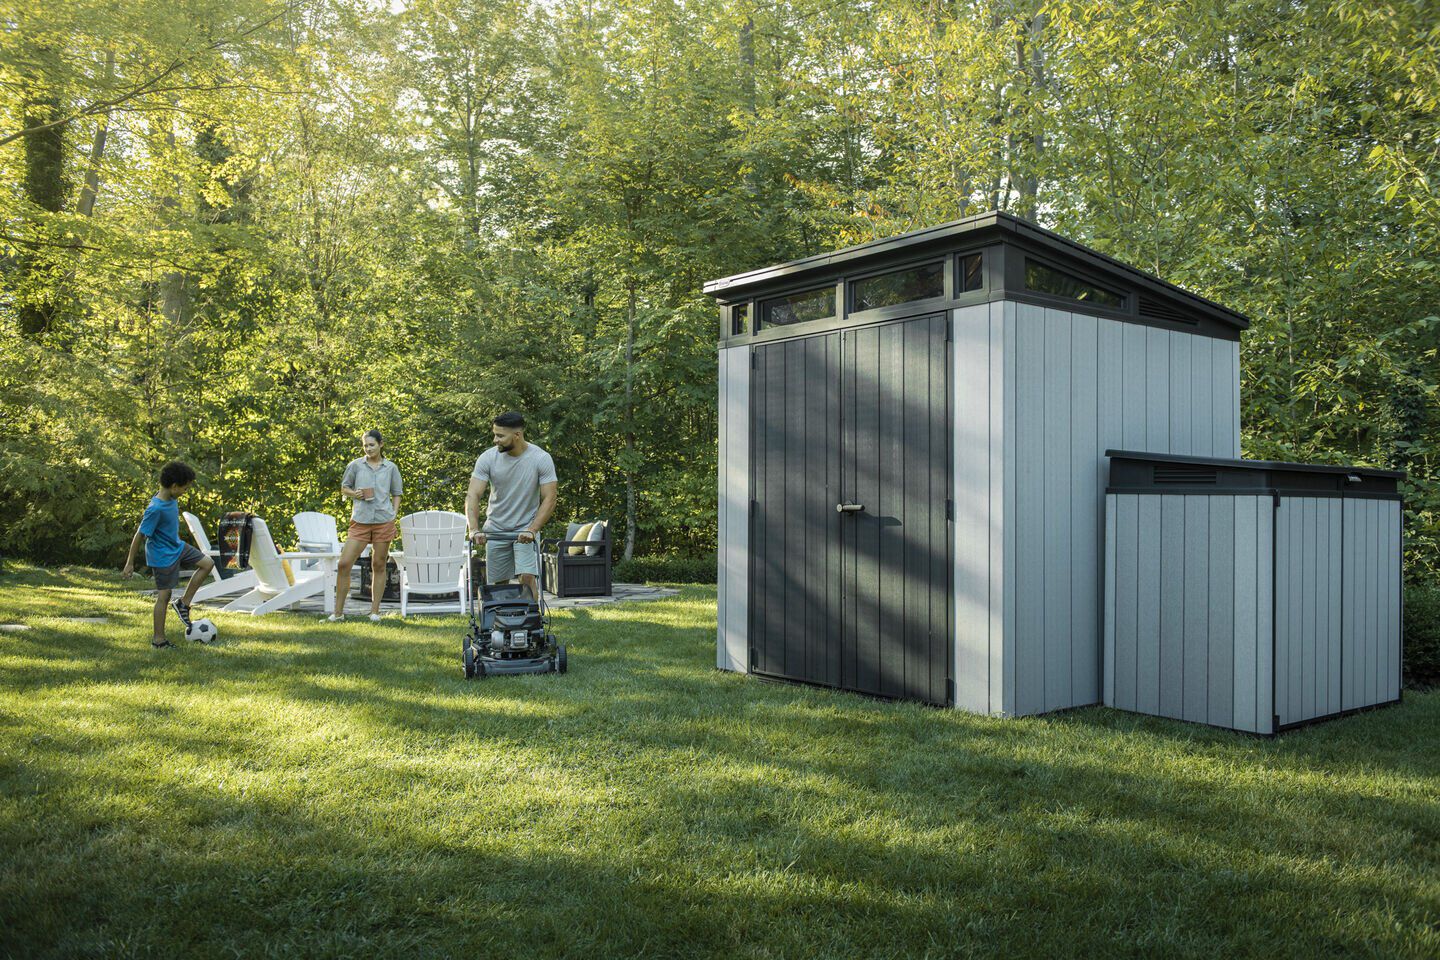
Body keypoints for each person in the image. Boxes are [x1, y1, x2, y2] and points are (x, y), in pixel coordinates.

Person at [122, 460, 215, 648]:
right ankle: (159, 640)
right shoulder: (155, 509)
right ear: (174, 486)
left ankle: (183, 603)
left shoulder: (171, 498)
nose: (185, 492)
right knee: (164, 596)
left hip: (177, 546)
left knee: (207, 563)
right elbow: (139, 534)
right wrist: (130, 562)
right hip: (162, 555)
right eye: (185, 489)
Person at [465, 412, 558, 599]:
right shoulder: (487, 458)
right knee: (499, 584)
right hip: (496, 529)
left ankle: (533, 620)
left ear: (517, 435)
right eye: (494, 434)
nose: (495, 440)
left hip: (525, 529)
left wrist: (533, 529)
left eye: (500, 436)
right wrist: (474, 529)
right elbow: (473, 494)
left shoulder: (541, 458)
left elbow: (550, 498)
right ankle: (501, 622)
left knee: (527, 577)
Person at [330, 429, 403, 622]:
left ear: (381, 444)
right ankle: (337, 614)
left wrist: (393, 514)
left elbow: (397, 492)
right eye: (365, 445)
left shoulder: (390, 467)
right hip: (360, 521)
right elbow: (344, 488)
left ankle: (374, 612)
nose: (368, 449)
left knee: (378, 564)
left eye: (371, 445)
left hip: (383, 521)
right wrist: (355, 494)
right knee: (344, 563)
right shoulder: (355, 466)